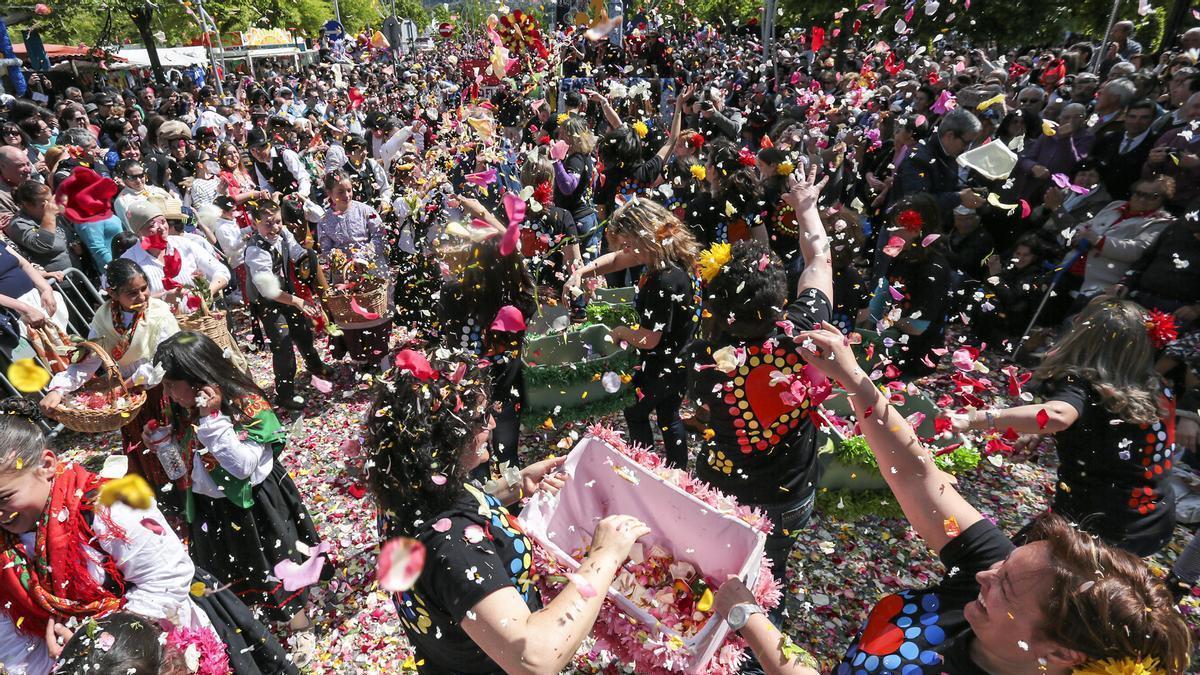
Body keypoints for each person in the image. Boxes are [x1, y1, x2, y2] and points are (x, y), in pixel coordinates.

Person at [366, 347, 651, 674]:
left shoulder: (406, 482)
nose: (491, 421)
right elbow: (534, 659)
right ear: (442, 438)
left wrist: (514, 486)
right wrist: (605, 556)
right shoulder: (453, 547)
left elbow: (456, 514)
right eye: (478, 417)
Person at [0, 398, 293, 675]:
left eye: (4, 498)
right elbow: (13, 639)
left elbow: (166, 576)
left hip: (160, 642)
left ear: (47, 465)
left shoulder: (104, 505)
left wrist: (91, 649)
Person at [688, 166, 832, 592]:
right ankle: (761, 640)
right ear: (782, 300)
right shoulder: (803, 331)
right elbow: (819, 258)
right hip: (788, 492)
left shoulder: (703, 359)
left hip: (725, 490)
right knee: (773, 573)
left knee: (719, 573)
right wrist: (807, 209)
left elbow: (700, 416)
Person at [955, 297, 1178, 556]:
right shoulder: (1156, 385)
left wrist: (975, 419)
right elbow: (1112, 432)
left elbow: (1059, 414)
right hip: (1152, 522)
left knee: (1007, 572)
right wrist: (1049, 433)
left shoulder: (1083, 382)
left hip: (1097, 524)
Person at [153, 332, 322, 660]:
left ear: (199, 378)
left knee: (272, 565)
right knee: (231, 570)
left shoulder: (246, 403)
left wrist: (213, 421)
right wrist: (162, 446)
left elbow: (242, 467)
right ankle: (253, 624)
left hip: (254, 506)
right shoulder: (184, 409)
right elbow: (182, 470)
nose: (168, 393)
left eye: (173, 384)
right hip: (211, 508)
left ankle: (300, 625)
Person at [564, 198, 699, 468]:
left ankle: (643, 468)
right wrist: (582, 271)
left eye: (628, 243)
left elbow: (650, 338)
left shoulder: (665, 278)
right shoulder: (670, 257)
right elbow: (616, 260)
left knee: (636, 411)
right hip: (681, 358)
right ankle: (678, 473)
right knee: (669, 415)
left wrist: (621, 332)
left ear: (643, 235)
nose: (626, 249)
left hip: (661, 362)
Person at [243, 198, 334, 410]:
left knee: (303, 331)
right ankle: (284, 393)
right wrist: (299, 301)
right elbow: (269, 291)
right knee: (282, 343)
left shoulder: (283, 234)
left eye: (277, 222)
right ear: (255, 222)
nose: (275, 228)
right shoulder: (255, 250)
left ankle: (315, 365)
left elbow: (297, 253)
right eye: (268, 224)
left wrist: (309, 260)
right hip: (267, 302)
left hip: (288, 294)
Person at [317, 170, 392, 363]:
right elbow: (325, 247)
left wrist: (362, 256)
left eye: (349, 190)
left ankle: (381, 357)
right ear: (330, 194)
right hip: (344, 276)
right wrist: (338, 257)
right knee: (352, 317)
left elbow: (379, 236)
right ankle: (360, 358)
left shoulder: (365, 210)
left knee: (376, 313)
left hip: (371, 269)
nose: (347, 195)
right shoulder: (325, 220)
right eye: (341, 192)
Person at [1070, 175, 1174, 297]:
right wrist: (1078, 234)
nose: (1142, 199)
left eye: (1153, 197)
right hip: (1068, 268)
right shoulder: (1115, 205)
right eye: (1139, 193)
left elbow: (1136, 250)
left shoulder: (1161, 222)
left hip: (1099, 285)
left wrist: (1098, 240)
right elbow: (1085, 225)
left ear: (1163, 199)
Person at [120, 200, 230, 304]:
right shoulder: (129, 261)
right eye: (152, 225)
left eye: (163, 221)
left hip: (200, 321)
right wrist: (163, 298)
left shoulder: (184, 244)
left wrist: (207, 293)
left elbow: (222, 271)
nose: (161, 228)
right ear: (138, 232)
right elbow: (125, 301)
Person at [552, 115, 600, 260]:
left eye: (562, 134)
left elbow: (568, 186)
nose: (559, 137)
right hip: (585, 216)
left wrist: (556, 162)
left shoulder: (576, 159)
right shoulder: (585, 155)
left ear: (572, 137)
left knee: (580, 267)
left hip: (577, 220)